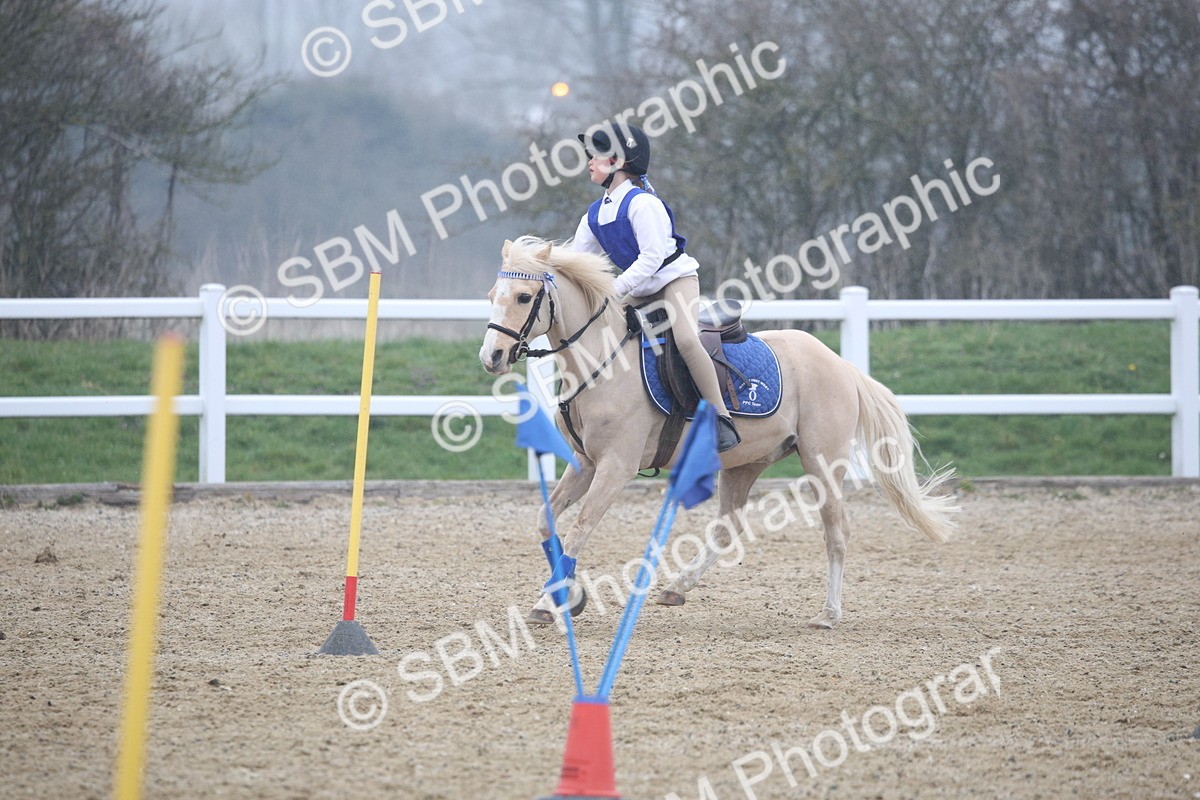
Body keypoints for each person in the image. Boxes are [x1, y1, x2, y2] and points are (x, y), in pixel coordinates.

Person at [568, 124, 740, 452]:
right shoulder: (594, 214)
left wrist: (614, 290)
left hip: (674, 280)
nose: (589, 161)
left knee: (688, 340)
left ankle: (721, 417)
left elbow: (651, 259)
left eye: (596, 155)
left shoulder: (642, 204)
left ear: (619, 161)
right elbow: (577, 262)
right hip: (640, 288)